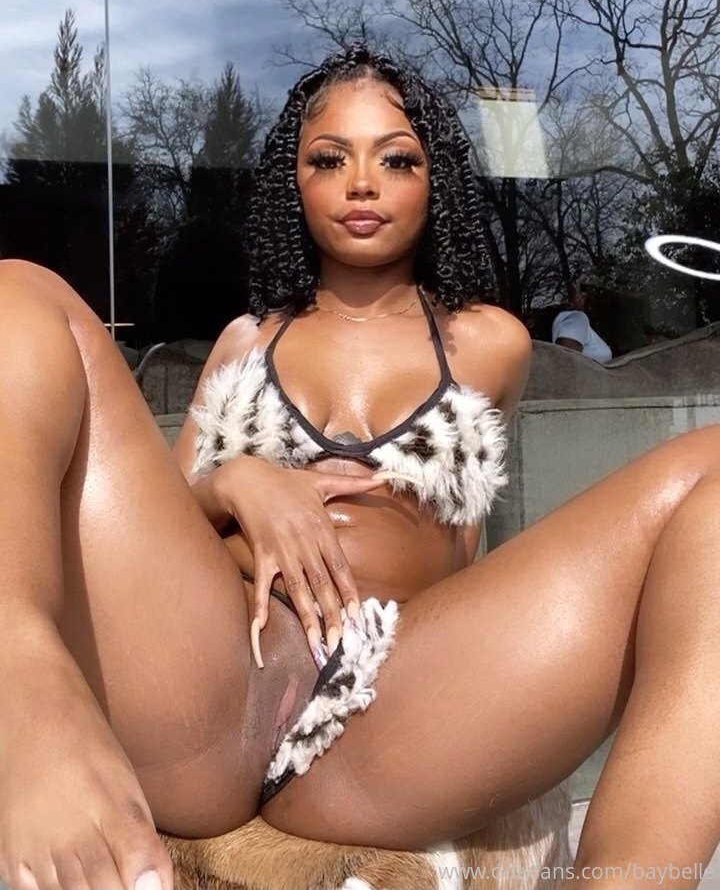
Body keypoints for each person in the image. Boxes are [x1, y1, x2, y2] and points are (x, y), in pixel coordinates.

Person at [2, 44, 720, 890]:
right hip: (222, 671)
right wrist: (237, 481)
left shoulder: (490, 343)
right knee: (19, 292)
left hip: (390, 698)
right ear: (294, 182)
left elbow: (466, 548)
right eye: (329, 159)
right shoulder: (245, 340)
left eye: (397, 159)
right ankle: (21, 685)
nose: (362, 183)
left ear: (436, 180)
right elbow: (155, 517)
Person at [552, 278, 613, 364]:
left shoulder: (569, 319)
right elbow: (567, 358)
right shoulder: (577, 318)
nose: (584, 298)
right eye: (581, 295)